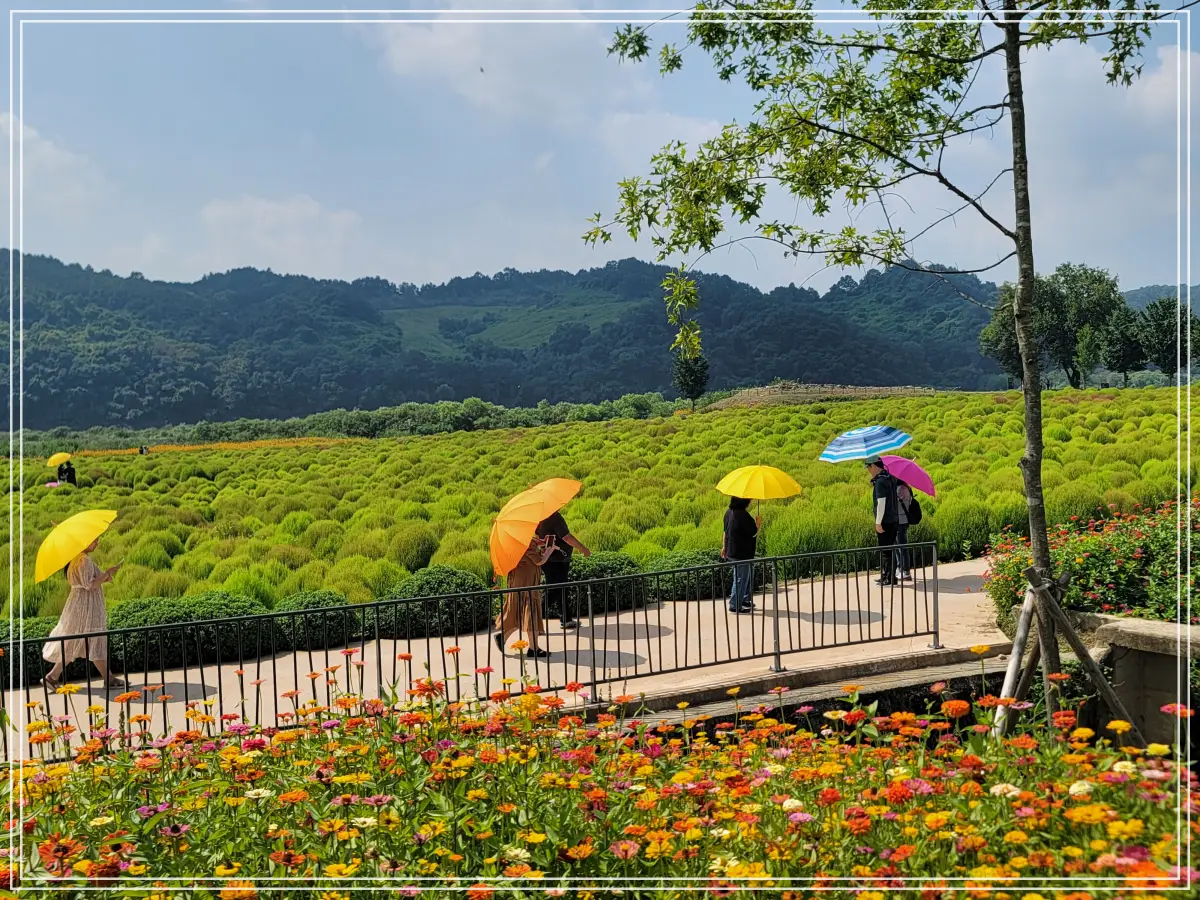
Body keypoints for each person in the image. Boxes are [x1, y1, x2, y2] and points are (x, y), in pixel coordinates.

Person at [41, 538, 124, 689]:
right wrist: (107, 573)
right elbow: (90, 585)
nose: (97, 543)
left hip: (78, 605)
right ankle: (109, 679)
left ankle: (52, 676)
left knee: (74, 642)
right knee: (93, 639)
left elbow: (92, 581)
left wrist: (106, 574)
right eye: (94, 541)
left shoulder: (76, 559)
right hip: (86, 606)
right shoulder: (83, 560)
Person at [494, 534, 558, 658]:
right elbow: (539, 560)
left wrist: (538, 543)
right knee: (529, 613)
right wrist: (550, 549)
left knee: (523, 614)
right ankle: (533, 648)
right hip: (526, 584)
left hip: (521, 582)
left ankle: (508, 639)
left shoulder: (519, 540)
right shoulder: (525, 542)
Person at [535, 511, 591, 630]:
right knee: (555, 589)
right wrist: (583, 548)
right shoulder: (554, 516)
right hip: (557, 560)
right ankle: (533, 617)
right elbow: (566, 537)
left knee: (561, 588)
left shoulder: (538, 516)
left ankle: (566, 619)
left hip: (549, 558)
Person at [721, 496, 761, 614]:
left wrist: (724, 546)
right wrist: (757, 524)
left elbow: (725, 531)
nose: (750, 501)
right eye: (749, 499)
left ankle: (744, 600)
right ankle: (734, 605)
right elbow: (753, 533)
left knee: (743, 576)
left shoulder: (728, 513)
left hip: (731, 551)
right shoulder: (743, 515)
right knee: (741, 578)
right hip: (742, 553)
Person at [865, 456, 900, 586]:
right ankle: (887, 575)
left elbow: (881, 503)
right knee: (890, 549)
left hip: (885, 521)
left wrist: (878, 522)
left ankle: (888, 578)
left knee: (886, 551)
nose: (868, 470)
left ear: (873, 466)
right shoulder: (890, 477)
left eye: (868, 467)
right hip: (893, 519)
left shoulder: (880, 482)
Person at [894, 479, 914, 581]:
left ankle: (905, 571)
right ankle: (900, 568)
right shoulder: (907, 487)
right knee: (898, 546)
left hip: (901, 521)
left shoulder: (901, 489)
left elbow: (893, 502)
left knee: (902, 546)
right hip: (902, 520)